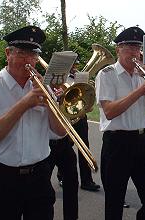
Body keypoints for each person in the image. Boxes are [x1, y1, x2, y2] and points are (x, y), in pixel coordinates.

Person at [0, 25, 67, 220]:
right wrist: (25, 103)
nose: (29, 61)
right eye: (22, 53)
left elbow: (60, 132)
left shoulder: (43, 87)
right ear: (8, 53)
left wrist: (50, 103)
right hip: (2, 176)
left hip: (40, 174)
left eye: (33, 55)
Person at [95, 26, 145, 220]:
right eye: (128, 47)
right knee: (114, 202)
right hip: (117, 144)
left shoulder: (143, 75)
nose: (134, 52)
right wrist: (140, 91)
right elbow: (109, 111)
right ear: (118, 49)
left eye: (137, 47)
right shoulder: (106, 75)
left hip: (143, 142)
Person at [58, 60, 100, 192]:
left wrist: (87, 105)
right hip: (65, 118)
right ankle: (62, 176)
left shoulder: (82, 78)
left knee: (84, 147)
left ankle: (87, 181)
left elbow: (87, 98)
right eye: (72, 65)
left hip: (80, 118)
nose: (74, 67)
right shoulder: (60, 79)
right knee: (65, 148)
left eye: (75, 65)